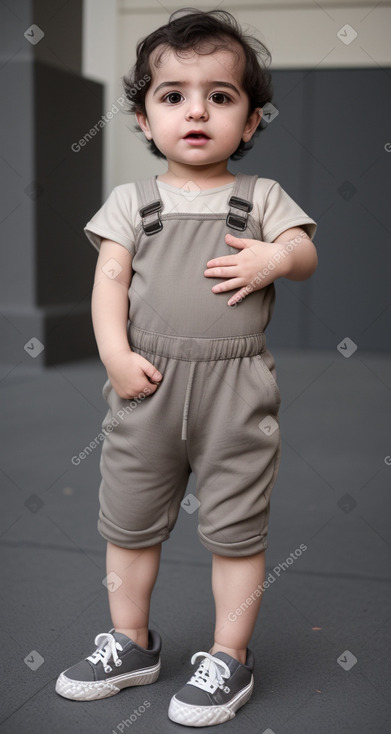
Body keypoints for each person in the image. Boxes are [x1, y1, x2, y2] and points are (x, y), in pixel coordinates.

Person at [55, 7, 318, 727]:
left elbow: (303, 254)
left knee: (236, 529)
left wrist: (274, 255)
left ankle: (229, 655)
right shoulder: (130, 203)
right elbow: (109, 284)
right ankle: (130, 641)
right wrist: (115, 352)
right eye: (172, 95)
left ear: (251, 121)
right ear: (143, 118)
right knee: (129, 523)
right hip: (148, 383)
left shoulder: (259, 197)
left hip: (236, 388)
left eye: (220, 95)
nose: (195, 109)